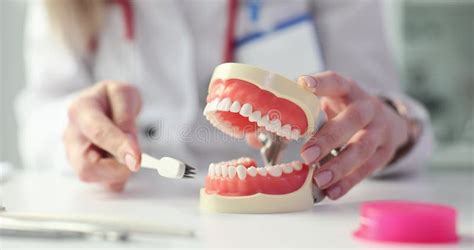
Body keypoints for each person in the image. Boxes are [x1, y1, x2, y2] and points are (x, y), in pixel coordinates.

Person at [16, 0, 432, 199]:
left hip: (296, 221)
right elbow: (41, 111)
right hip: (131, 210)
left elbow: (373, 102)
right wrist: (78, 128)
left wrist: (396, 126)